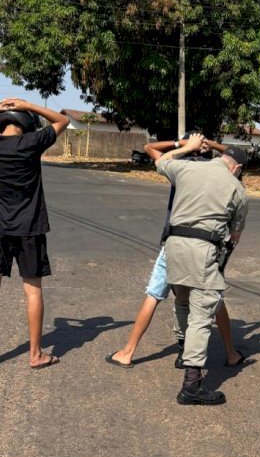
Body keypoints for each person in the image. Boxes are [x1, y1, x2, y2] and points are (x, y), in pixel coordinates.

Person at [106, 132, 245, 369]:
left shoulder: (181, 167)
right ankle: (229, 352)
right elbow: (233, 156)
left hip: (173, 242)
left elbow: (152, 150)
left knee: (155, 294)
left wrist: (182, 145)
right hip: (205, 247)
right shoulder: (223, 178)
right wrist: (206, 143)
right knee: (214, 298)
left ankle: (129, 351)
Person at [0, 98, 70, 369]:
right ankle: (36, 355)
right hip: (30, 228)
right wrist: (29, 104)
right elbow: (63, 120)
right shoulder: (32, 143)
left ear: (0, 123)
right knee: (33, 292)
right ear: (26, 122)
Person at [155, 134, 248, 405]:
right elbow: (235, 236)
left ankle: (184, 351)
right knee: (202, 312)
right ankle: (192, 384)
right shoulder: (237, 189)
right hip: (203, 250)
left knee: (182, 301)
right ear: (237, 168)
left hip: (173, 245)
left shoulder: (188, 166)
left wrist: (187, 147)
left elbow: (160, 161)